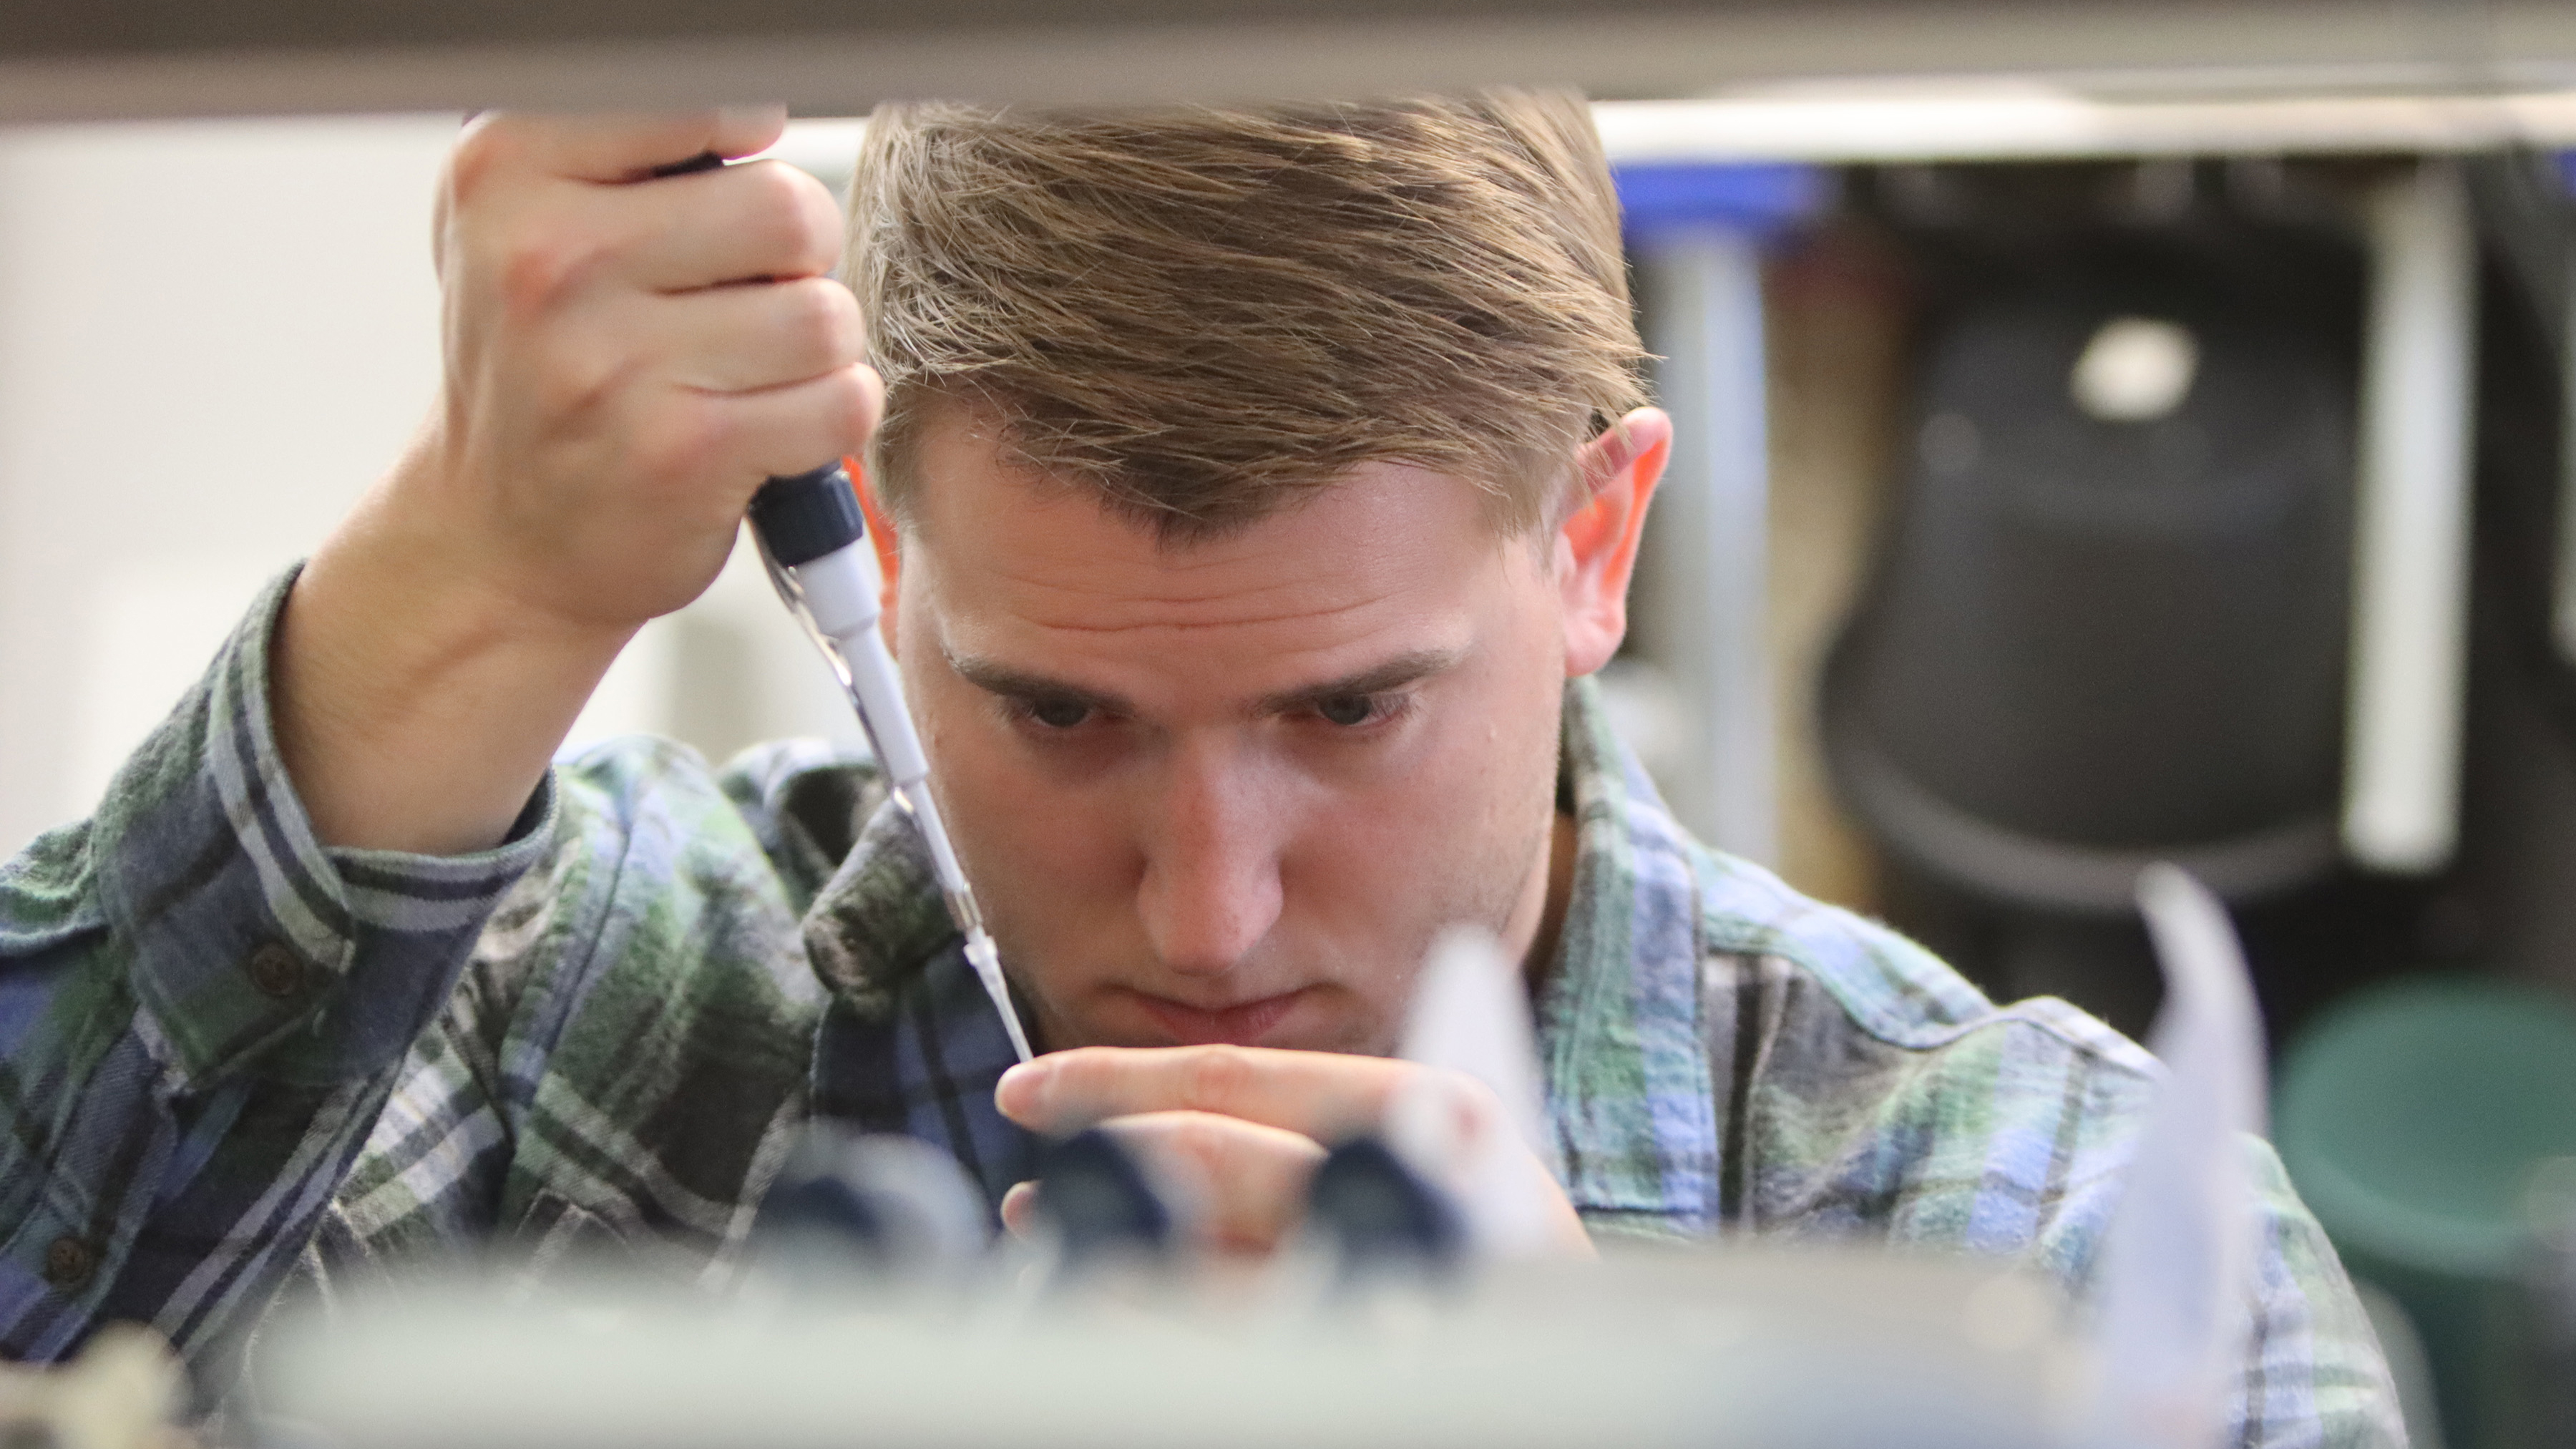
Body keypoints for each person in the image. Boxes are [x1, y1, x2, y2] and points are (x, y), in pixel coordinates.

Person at [0, 96, 2399, 1442]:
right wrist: (468, 584)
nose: (1210, 915)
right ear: (889, 573)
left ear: (1596, 542)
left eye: (1347, 709)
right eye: (1061, 713)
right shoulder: (582, 1022)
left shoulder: (2040, 1216)